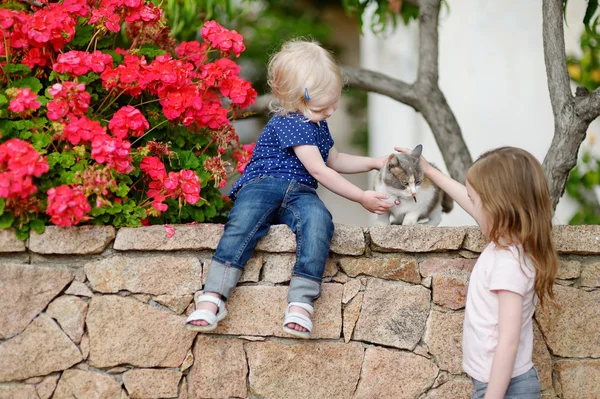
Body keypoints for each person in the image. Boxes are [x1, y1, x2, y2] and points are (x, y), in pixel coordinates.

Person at [185, 39, 394, 338]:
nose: (332, 110)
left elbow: (334, 159)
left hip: (299, 194)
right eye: (324, 106)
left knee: (319, 221)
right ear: (296, 99)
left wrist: (374, 162)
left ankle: (301, 301)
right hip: (262, 186)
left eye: (335, 103)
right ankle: (214, 296)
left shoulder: (317, 122)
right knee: (242, 224)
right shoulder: (291, 121)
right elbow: (319, 170)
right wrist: (361, 197)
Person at [396, 146, 558, 399]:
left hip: (504, 388)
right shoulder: (510, 242)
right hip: (501, 382)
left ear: (498, 207)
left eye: (474, 200)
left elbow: (508, 342)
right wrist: (429, 172)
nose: (470, 204)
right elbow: (468, 198)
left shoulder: (508, 265)